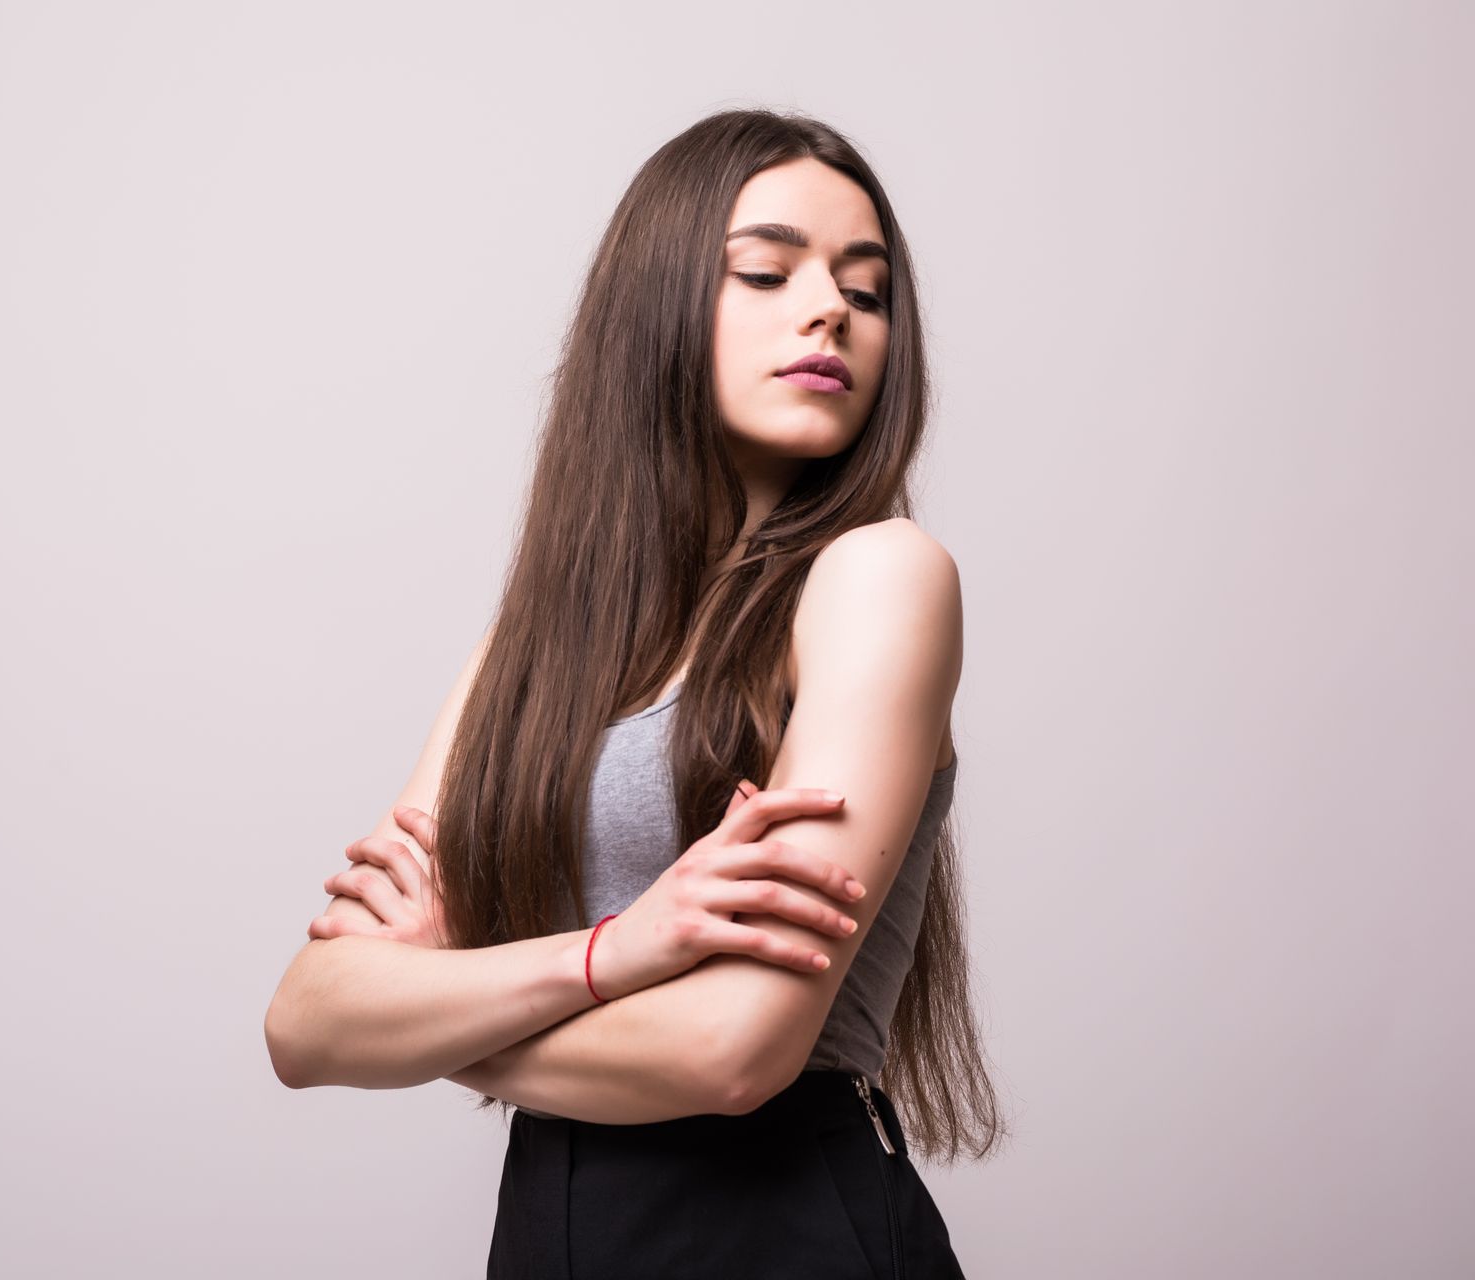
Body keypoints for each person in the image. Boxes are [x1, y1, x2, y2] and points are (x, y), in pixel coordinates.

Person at [264, 107, 1008, 1278]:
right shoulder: (535, 647)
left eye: (866, 293)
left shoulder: (879, 577)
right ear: (654, 306)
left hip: (785, 1227)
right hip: (555, 1225)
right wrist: (617, 952)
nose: (829, 309)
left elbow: (732, 1050)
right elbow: (307, 1021)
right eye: (767, 270)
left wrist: (440, 1027)